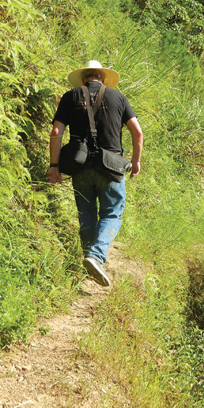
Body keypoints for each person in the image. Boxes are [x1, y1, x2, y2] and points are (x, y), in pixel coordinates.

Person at [47, 60, 143, 288]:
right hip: (110, 166)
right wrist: (136, 162)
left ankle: (89, 259)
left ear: (83, 79)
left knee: (86, 213)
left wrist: (54, 165)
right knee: (111, 214)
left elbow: (56, 131)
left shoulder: (70, 96)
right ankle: (96, 256)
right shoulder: (118, 97)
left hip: (80, 166)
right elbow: (137, 132)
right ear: (103, 78)